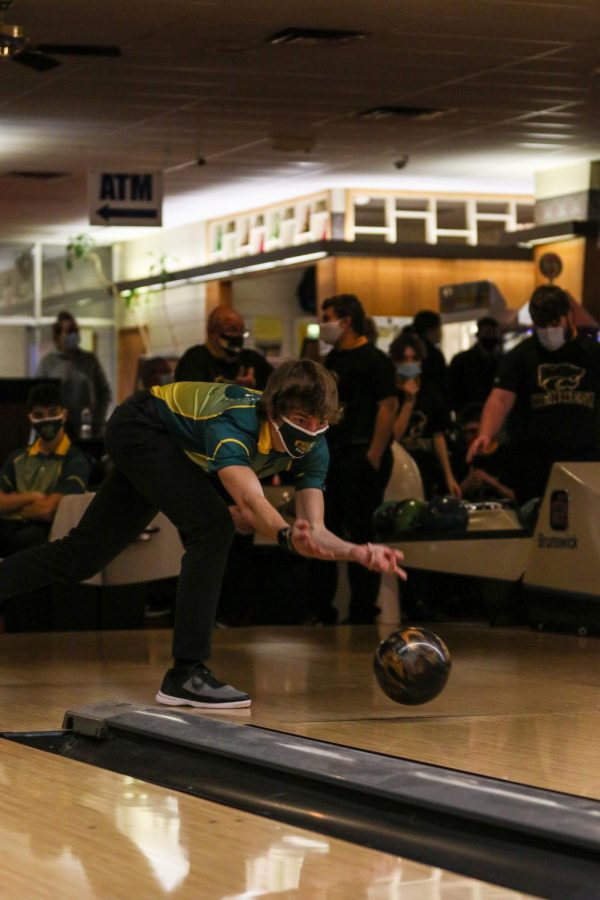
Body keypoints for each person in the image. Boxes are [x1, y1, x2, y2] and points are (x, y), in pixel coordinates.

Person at [0, 360, 405, 708]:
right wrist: (284, 535)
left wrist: (356, 551)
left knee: (81, 556)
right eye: (301, 422)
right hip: (139, 424)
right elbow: (250, 502)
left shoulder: (314, 446)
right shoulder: (237, 423)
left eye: (319, 424)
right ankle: (186, 673)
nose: (309, 433)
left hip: (174, 447)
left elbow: (314, 529)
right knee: (213, 526)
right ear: (275, 408)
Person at [309, 294, 399, 625]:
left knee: (361, 531)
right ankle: (323, 608)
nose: (323, 323)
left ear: (345, 321)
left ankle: (363, 609)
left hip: (360, 453)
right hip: (332, 452)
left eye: (327, 316)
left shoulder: (374, 359)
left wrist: (374, 453)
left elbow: (388, 405)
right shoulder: (331, 360)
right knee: (324, 529)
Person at [468, 285, 600, 503]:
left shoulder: (592, 353)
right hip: (534, 462)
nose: (548, 330)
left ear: (568, 317)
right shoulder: (521, 356)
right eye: (541, 325)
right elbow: (500, 399)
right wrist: (486, 433)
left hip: (586, 459)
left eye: (554, 323)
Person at [0, 384, 90, 556]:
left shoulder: (76, 461)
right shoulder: (16, 458)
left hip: (45, 537)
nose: (46, 420)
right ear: (30, 418)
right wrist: (32, 497)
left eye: (53, 413)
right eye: (39, 415)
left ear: (64, 414)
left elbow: (47, 511)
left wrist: (13, 506)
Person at [390, 333, 460, 499]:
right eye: (403, 359)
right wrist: (408, 403)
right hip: (399, 466)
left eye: (414, 358)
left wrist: (449, 475)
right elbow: (394, 437)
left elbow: (438, 435)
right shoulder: (390, 394)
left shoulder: (431, 391)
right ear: (394, 361)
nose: (409, 364)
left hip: (427, 466)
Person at [36, 311, 112, 439]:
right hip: (58, 432)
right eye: (69, 331)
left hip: (88, 430)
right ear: (58, 336)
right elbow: (38, 397)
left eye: (76, 331)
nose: (74, 335)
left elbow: (104, 392)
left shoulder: (89, 361)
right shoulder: (48, 363)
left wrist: (98, 419)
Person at [175, 307, 273, 390]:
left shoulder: (252, 359)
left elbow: (279, 387)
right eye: (232, 329)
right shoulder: (194, 360)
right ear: (212, 332)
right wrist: (234, 392)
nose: (238, 336)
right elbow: (191, 401)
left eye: (242, 331)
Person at [451, 402, 515, 502]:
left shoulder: (507, 455)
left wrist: (490, 481)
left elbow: (516, 498)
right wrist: (466, 484)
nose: (468, 437)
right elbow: (448, 499)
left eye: (473, 431)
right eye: (465, 433)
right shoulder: (459, 457)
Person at [449, 316, 503, 416]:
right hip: (470, 413)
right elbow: (454, 390)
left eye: (493, 333)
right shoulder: (462, 360)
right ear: (478, 335)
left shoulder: (503, 360)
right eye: (487, 333)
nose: (491, 337)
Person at [411, 310, 448, 400]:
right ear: (430, 329)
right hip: (431, 403)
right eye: (439, 327)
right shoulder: (433, 353)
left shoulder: (410, 348)